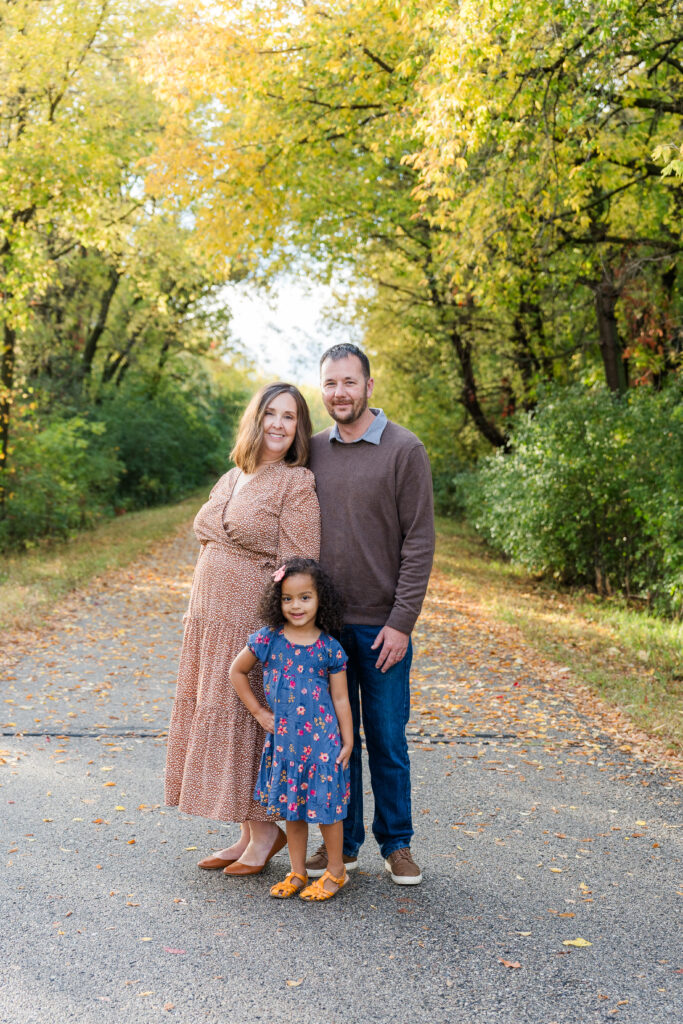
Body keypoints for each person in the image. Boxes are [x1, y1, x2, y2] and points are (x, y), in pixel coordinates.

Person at [165, 383, 321, 875]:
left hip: (248, 619)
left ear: (299, 428)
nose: (278, 424)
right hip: (208, 620)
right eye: (270, 413)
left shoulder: (296, 483)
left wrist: (281, 627)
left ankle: (267, 828)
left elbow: (300, 563)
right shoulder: (232, 476)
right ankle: (246, 830)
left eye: (289, 417)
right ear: (255, 419)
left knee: (244, 718)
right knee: (215, 711)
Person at [307, 344, 435, 885]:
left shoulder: (406, 449)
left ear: (368, 386)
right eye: (330, 383)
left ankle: (397, 843)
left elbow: (419, 541)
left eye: (349, 382)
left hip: (382, 627)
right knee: (338, 740)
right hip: (324, 630)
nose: (339, 392)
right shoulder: (310, 450)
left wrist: (401, 622)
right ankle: (344, 843)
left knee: (385, 738)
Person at [229, 558, 353, 901]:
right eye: (287, 598)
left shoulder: (329, 647)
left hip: (323, 743)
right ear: (277, 601)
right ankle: (297, 871)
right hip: (286, 743)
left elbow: (341, 698)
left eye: (305, 597)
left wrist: (349, 738)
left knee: (328, 811)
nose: (296, 606)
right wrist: (258, 712)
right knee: (293, 810)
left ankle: (336, 871)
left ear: (320, 600)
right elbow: (236, 672)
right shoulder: (268, 639)